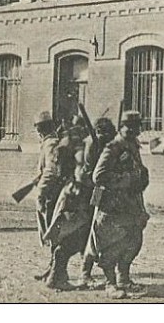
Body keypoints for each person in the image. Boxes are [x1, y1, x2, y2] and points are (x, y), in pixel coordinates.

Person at [88, 110, 151, 299]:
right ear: (121, 127)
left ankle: (123, 278)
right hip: (113, 204)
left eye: (136, 127)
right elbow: (98, 176)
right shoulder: (113, 147)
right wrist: (127, 179)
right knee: (111, 244)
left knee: (133, 241)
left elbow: (137, 171)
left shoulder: (132, 145)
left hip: (131, 203)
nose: (132, 130)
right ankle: (110, 283)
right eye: (128, 127)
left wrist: (141, 176)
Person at [40, 120, 93, 290]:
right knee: (74, 237)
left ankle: (57, 274)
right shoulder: (77, 148)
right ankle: (56, 276)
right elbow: (80, 173)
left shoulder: (65, 145)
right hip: (76, 196)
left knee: (71, 235)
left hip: (70, 195)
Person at [73, 117, 117, 289]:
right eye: (104, 134)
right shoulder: (91, 144)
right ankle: (85, 273)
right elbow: (86, 173)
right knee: (94, 229)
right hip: (91, 191)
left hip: (104, 190)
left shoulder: (107, 143)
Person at [32, 111, 66, 283]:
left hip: (51, 194)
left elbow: (51, 171)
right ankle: (51, 267)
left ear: (42, 129)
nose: (37, 132)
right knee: (52, 232)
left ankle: (55, 270)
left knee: (53, 232)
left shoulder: (50, 143)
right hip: (51, 192)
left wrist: (40, 192)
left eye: (38, 128)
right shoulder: (48, 142)